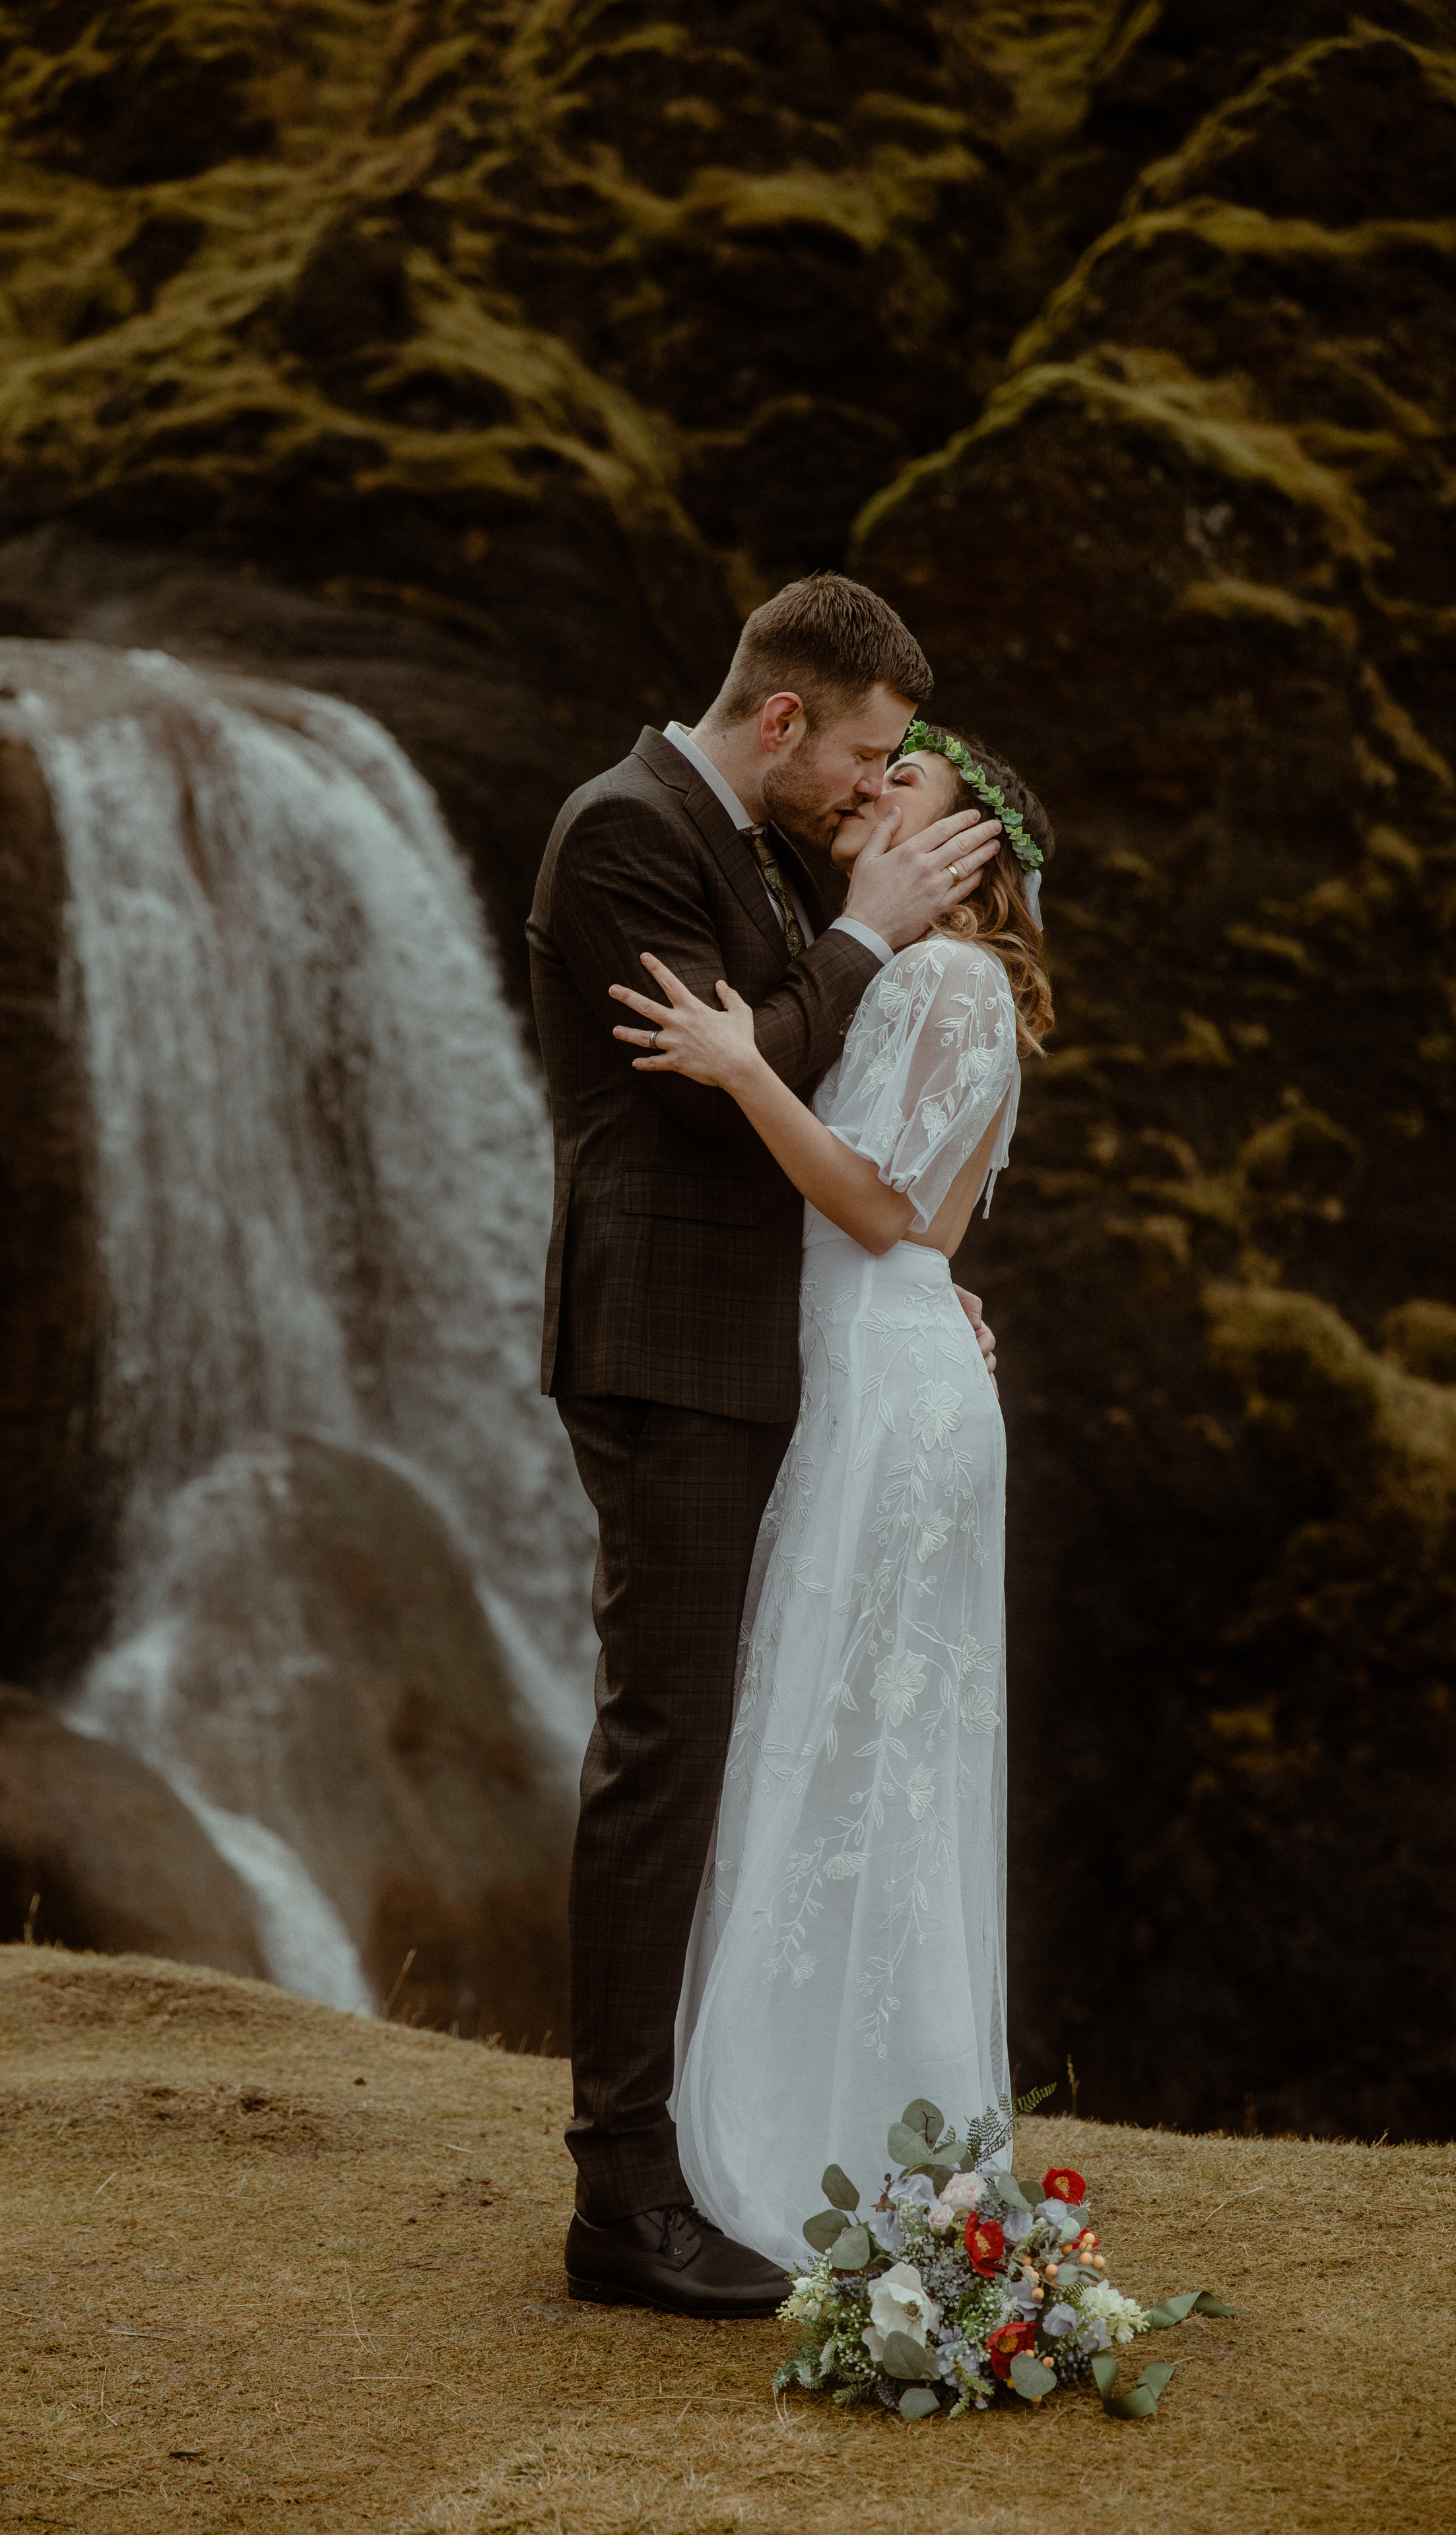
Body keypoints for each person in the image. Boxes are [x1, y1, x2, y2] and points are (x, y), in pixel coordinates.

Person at [527, 574, 1003, 2316]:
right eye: (866, 751)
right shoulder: (621, 839)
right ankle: (623, 2200)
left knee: (736, 1751)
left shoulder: (756, 846)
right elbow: (732, 1077)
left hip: (783, 1353)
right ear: (787, 716)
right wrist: (867, 930)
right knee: (668, 1748)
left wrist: (928, 1280)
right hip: (674, 1355)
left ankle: (707, 2146)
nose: (873, 793)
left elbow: (828, 1082)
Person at [608, 722, 1054, 2270]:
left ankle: (860, 2143)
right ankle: (863, 2129)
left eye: (907, 783)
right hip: (874, 1375)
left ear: (968, 847)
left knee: (870, 1755)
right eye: (871, 774)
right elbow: (920, 1227)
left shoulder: (942, 977)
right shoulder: (898, 975)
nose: (871, 791)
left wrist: (735, 1068)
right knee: (858, 1747)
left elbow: (878, 1207)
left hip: (884, 1391)